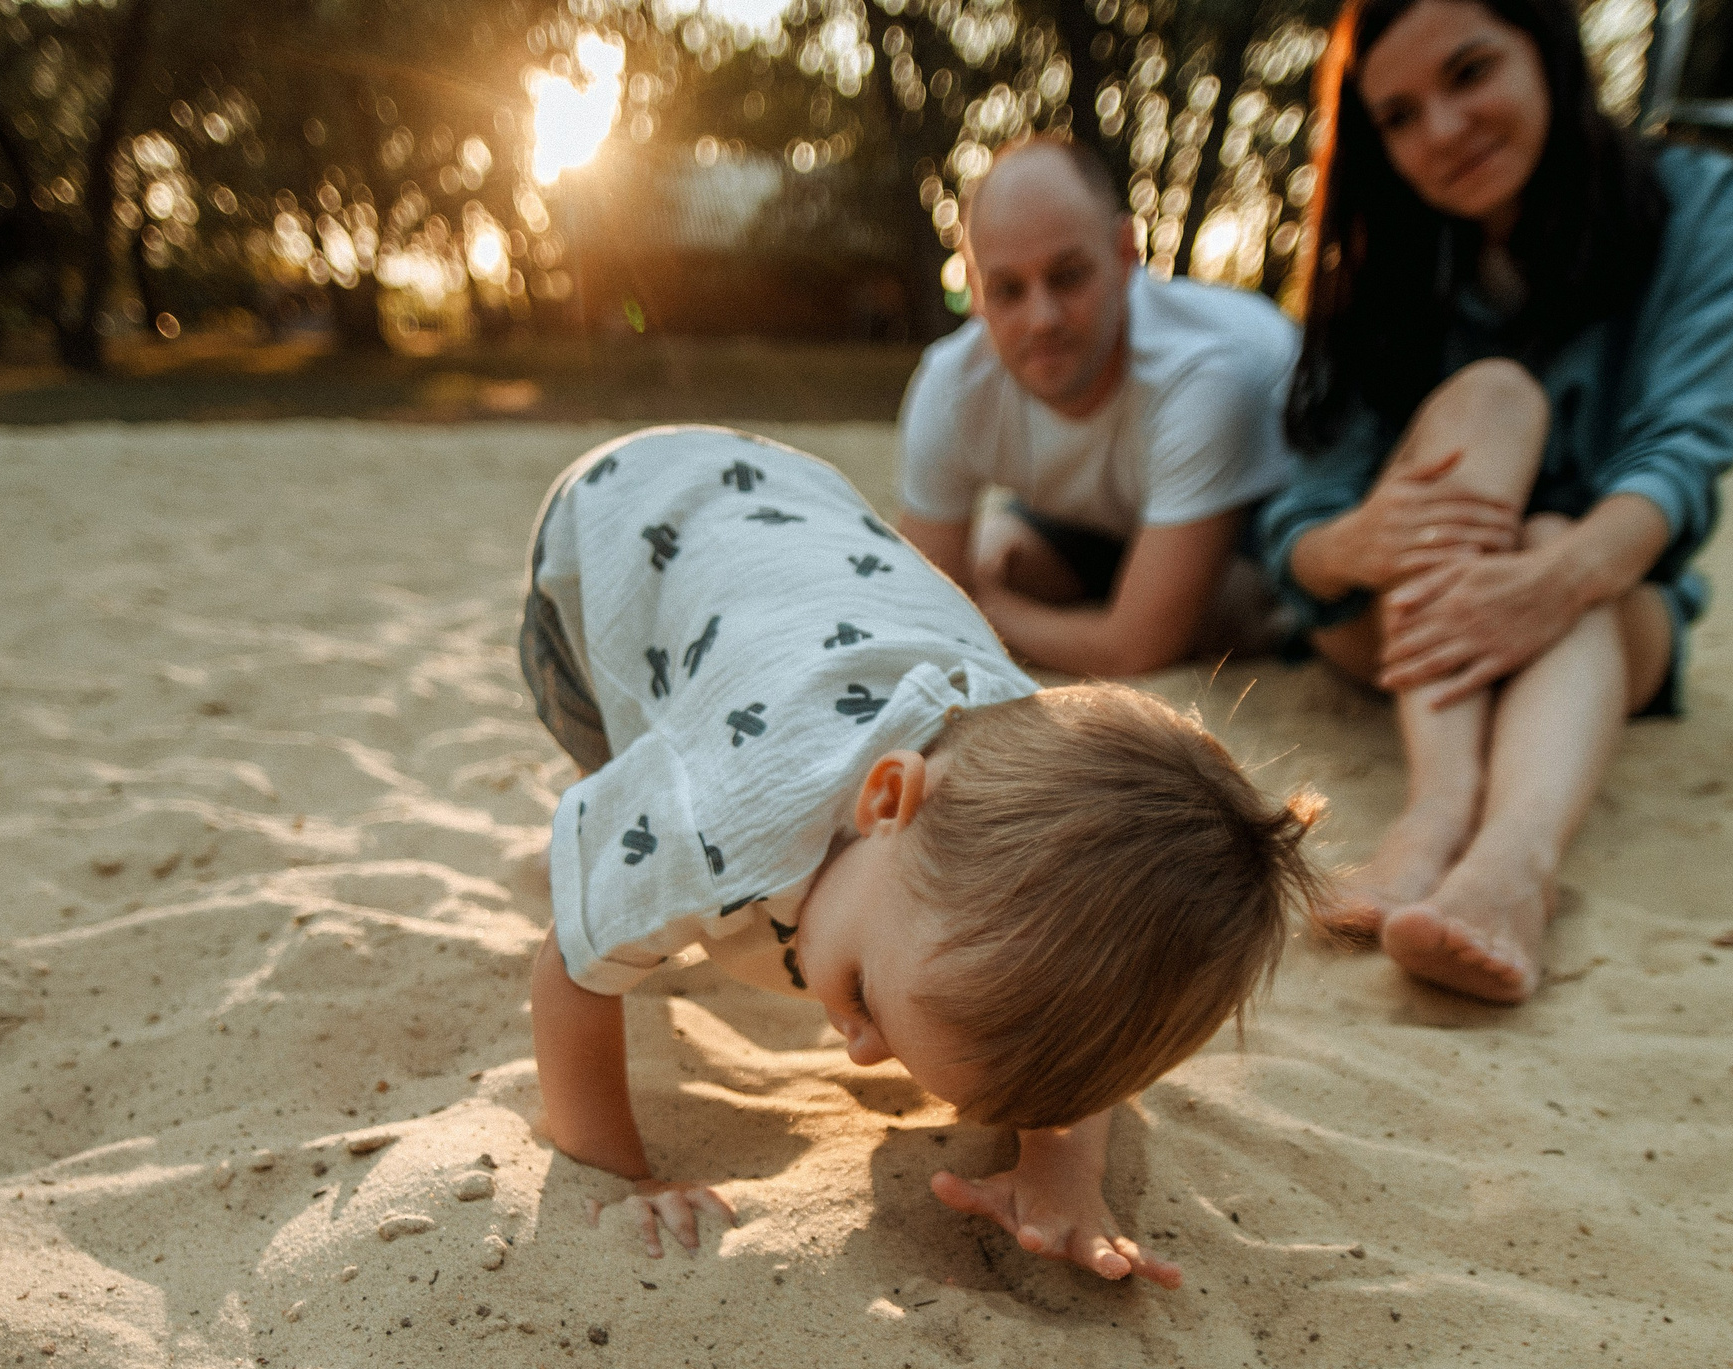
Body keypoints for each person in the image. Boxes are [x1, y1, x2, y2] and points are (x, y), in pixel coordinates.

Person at [521, 425, 1321, 1284]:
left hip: (803, 540)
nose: (859, 1050)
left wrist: (1062, 1163)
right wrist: (622, 1174)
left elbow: (1081, 994)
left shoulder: (1007, 757)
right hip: (608, 530)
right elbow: (570, 971)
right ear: (884, 799)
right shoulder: (716, 819)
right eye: (867, 994)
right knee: (617, 820)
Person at [1255, 0, 1733, 1002]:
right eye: (1397, 115)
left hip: (1613, 611)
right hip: (1391, 624)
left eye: (1468, 73)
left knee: (1554, 529)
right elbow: (1299, 527)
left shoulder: (1699, 204)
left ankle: (1512, 866)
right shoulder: (1384, 261)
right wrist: (1351, 541)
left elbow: (1685, 448)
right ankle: (1437, 816)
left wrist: (1555, 572)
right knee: (1494, 398)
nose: (1440, 131)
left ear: (1548, 54)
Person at [894, 138, 1303, 675]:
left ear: (1124, 254)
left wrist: (983, 609)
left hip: (1261, 516)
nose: (1042, 318)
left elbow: (1136, 648)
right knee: (1001, 561)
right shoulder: (951, 384)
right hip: (1108, 517)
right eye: (1008, 290)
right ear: (974, 290)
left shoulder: (1206, 376)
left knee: (1223, 616)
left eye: (1067, 277)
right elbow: (927, 599)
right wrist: (978, 594)